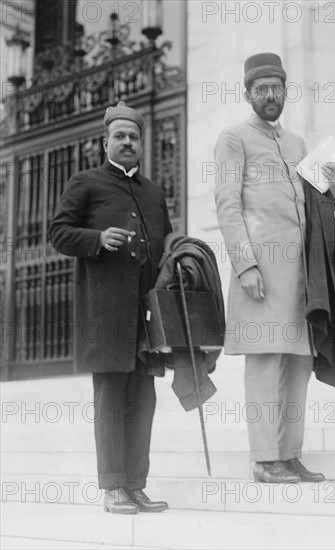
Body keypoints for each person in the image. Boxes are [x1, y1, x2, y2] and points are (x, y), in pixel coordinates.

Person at [214, 53, 335, 484]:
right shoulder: (233, 138)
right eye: (260, 89)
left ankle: (290, 454)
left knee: (298, 362)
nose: (269, 95)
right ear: (248, 94)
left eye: (276, 88)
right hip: (261, 270)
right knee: (265, 363)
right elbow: (227, 205)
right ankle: (265, 459)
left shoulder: (299, 144)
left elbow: (319, 200)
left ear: (285, 91)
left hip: (302, 273)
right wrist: (244, 265)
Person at [49, 101, 172, 514]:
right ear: (105, 142)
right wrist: (98, 239)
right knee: (111, 399)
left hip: (146, 313)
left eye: (134, 137)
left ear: (142, 144)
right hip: (105, 312)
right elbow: (59, 234)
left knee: (143, 399)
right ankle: (113, 486)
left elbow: (166, 241)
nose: (127, 143)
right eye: (119, 136)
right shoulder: (85, 182)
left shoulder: (154, 192)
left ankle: (136, 484)